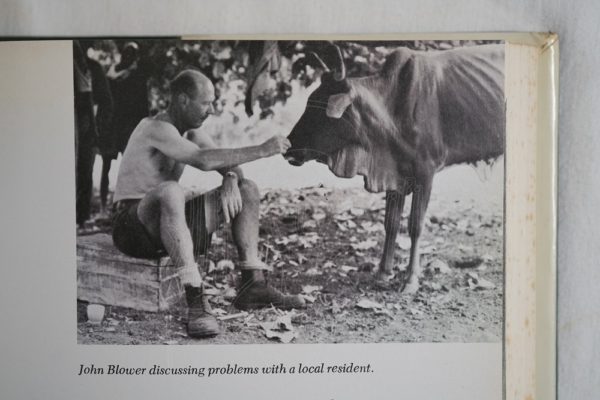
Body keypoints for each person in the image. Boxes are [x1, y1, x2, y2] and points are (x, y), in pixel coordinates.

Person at [111, 69, 305, 338]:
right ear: (182, 100)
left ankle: (253, 284)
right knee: (170, 190)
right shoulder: (155, 128)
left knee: (247, 189)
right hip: (132, 227)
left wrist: (228, 177)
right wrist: (261, 150)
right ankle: (195, 299)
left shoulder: (190, 132)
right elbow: (202, 159)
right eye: (206, 103)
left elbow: (232, 169)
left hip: (163, 227)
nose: (212, 110)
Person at [100, 42, 149, 213]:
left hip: (129, 126)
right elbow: (105, 102)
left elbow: (143, 106)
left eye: (132, 54)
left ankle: (125, 204)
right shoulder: (112, 74)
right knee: (106, 165)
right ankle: (103, 205)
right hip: (113, 125)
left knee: (129, 167)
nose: (129, 56)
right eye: (127, 52)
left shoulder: (137, 76)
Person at [74, 41, 113, 227]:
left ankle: (81, 217)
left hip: (87, 127)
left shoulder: (92, 68)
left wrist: (97, 129)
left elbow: (105, 102)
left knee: (84, 173)